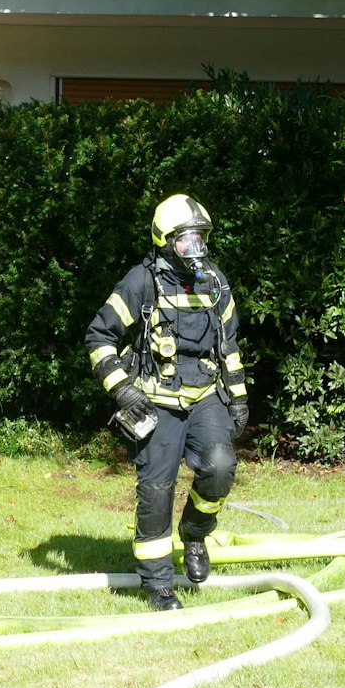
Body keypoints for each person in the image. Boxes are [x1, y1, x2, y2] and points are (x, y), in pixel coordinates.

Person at [82, 193, 249, 611]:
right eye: (185, 241)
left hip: (205, 396)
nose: (195, 249)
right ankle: (157, 584)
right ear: (164, 240)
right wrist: (122, 389)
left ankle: (194, 534)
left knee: (220, 466)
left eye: (200, 239)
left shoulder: (216, 283)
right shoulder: (141, 282)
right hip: (155, 402)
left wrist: (239, 399)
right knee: (156, 491)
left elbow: (228, 347)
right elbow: (98, 338)